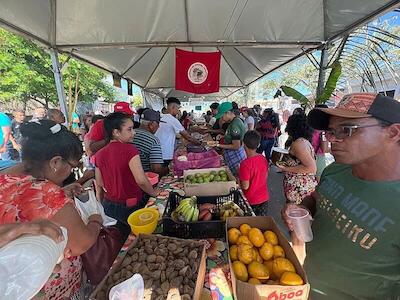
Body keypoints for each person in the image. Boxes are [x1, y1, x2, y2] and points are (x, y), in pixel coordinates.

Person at [281, 93, 400, 299]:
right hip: (307, 286)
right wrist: (301, 208)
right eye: (331, 131)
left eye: (347, 130)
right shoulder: (336, 170)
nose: (333, 139)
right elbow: (316, 199)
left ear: (393, 132)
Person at [0, 120, 102, 299]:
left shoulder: (4, 176)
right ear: (56, 162)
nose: (72, 172)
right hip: (40, 286)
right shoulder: (47, 192)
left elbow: (22, 201)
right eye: (73, 167)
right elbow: (81, 243)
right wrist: (95, 219)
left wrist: (61, 194)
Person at [95, 112, 159, 237]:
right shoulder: (130, 150)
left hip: (108, 205)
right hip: (129, 206)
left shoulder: (99, 154)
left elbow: (100, 183)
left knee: (118, 241)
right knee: (135, 239)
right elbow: (141, 180)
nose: (134, 132)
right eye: (129, 129)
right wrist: (153, 192)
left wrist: (100, 204)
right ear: (116, 132)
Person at [277, 113, 317, 204]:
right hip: (302, 186)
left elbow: (311, 168)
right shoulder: (304, 141)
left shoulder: (298, 144)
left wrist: (285, 168)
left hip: (300, 189)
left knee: (295, 215)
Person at [155, 97, 200, 167]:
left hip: (155, 152)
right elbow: (187, 136)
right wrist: (199, 143)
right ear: (173, 107)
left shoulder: (159, 116)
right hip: (165, 153)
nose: (178, 111)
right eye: (178, 109)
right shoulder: (172, 119)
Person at [212, 102, 247, 176]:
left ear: (228, 113)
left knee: (236, 178)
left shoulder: (235, 124)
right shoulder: (233, 122)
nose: (221, 118)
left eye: (222, 116)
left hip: (236, 157)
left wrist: (218, 145)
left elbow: (236, 146)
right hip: (233, 155)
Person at [239, 130, 269, 215]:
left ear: (243, 144)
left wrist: (237, 180)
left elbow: (245, 186)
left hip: (251, 201)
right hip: (264, 198)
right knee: (260, 225)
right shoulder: (263, 158)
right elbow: (265, 176)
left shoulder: (245, 164)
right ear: (259, 145)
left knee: (250, 225)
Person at [132, 109, 168, 176]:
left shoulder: (129, 134)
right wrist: (168, 169)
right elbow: (156, 169)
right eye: (158, 124)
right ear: (151, 124)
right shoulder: (153, 140)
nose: (159, 127)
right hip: (145, 179)